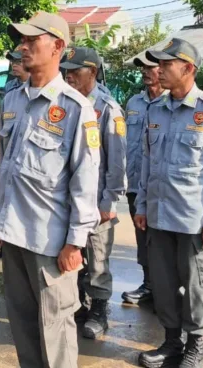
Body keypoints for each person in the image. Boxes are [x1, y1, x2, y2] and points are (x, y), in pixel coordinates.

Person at [0, 11, 100, 367]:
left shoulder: (75, 108)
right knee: (23, 327)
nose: (22, 47)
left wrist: (75, 242)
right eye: (21, 40)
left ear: (57, 47)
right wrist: (1, 224)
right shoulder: (13, 100)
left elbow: (85, 180)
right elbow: (6, 167)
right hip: (14, 234)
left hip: (50, 241)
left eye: (31, 40)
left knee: (55, 331)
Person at [134, 38, 203, 368]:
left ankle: (195, 346)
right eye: (159, 64)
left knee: (196, 287)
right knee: (163, 285)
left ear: (188, 68)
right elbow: (147, 162)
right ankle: (171, 341)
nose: (159, 70)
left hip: (195, 220)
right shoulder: (155, 109)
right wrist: (141, 205)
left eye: (166, 64)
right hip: (159, 215)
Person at [61, 47, 127, 340]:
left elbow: (117, 161)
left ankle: (99, 310)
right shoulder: (65, 102)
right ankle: (77, 305)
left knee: (97, 258)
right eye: (67, 70)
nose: (69, 75)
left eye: (76, 70)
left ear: (94, 72)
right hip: (68, 198)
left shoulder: (108, 109)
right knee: (70, 255)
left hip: (97, 199)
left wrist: (109, 200)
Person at [121, 55, 167, 305]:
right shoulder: (134, 102)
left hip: (162, 186)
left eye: (151, 67)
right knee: (143, 238)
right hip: (136, 183)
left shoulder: (170, 103)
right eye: (143, 68)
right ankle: (149, 285)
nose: (146, 72)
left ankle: (167, 290)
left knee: (163, 241)